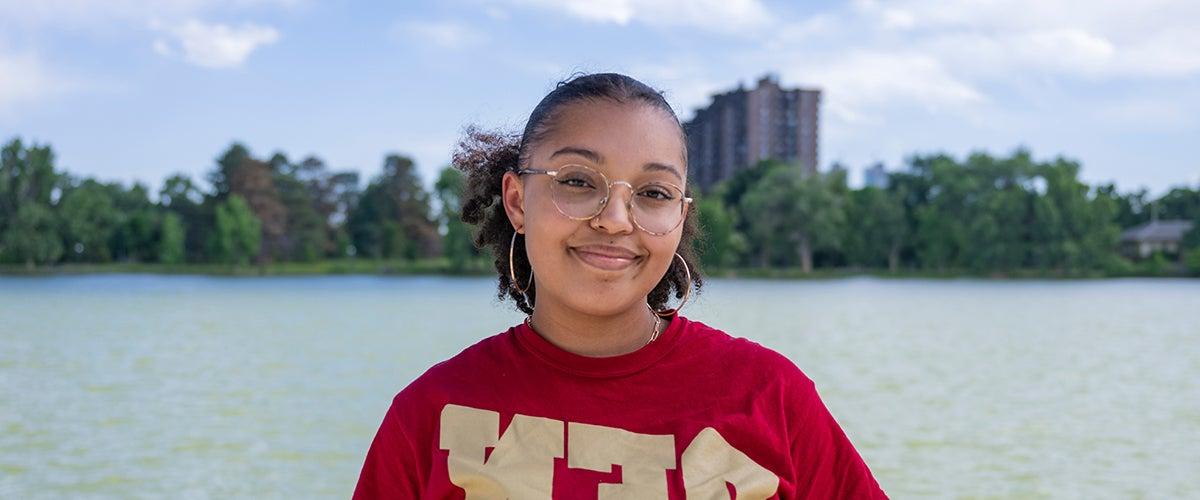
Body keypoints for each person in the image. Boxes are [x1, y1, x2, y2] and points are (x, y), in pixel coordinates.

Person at [353, 72, 887, 499]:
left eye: (654, 192)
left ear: (679, 217)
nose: (615, 219)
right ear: (517, 201)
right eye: (579, 182)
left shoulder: (770, 395)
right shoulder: (429, 414)